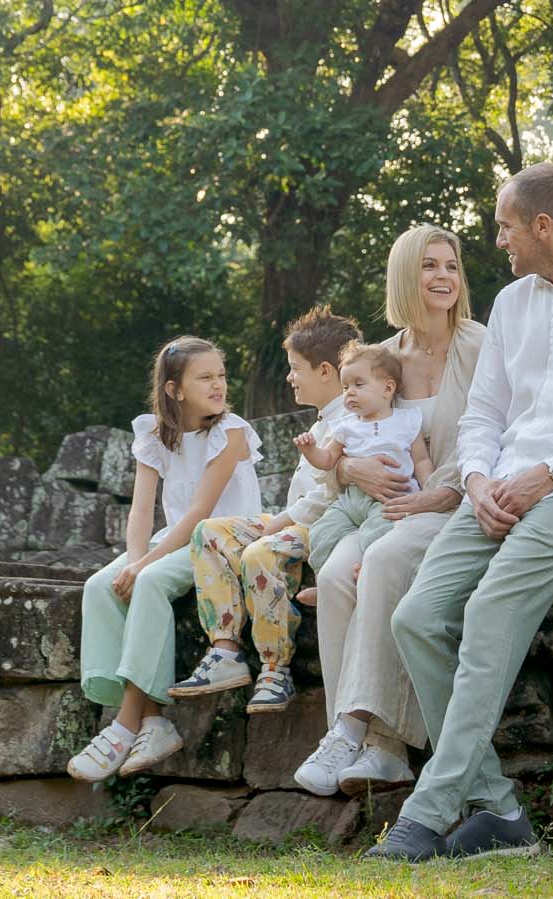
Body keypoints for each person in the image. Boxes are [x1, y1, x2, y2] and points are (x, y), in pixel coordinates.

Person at [369, 162, 553, 863]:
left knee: (489, 611)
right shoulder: (511, 302)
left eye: (505, 224)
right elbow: (485, 412)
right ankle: (501, 809)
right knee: (416, 616)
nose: (498, 238)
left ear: (542, 224)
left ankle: (431, 809)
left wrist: (551, 472)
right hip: (498, 488)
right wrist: (476, 478)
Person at [292, 224, 486, 800]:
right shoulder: (382, 359)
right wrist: (348, 470)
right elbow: (343, 440)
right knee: (331, 575)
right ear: (405, 276)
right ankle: (351, 741)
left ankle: (378, 741)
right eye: (429, 266)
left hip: (457, 502)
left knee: (383, 562)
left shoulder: (483, 347)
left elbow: (503, 433)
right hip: (386, 506)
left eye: (451, 266)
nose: (444, 277)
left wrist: (444, 491)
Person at [67, 336, 263, 781]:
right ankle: (153, 721)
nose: (218, 385)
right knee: (100, 585)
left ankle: (124, 725)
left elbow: (199, 513)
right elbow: (140, 510)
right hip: (174, 540)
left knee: (151, 582)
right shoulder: (154, 434)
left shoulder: (230, 432)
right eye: (205, 377)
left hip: (221, 541)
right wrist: (135, 560)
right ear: (174, 389)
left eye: (221, 375)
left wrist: (145, 568)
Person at [170, 306, 359, 715]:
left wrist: (279, 523)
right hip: (293, 518)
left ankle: (275, 668)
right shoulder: (325, 417)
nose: (289, 376)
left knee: (260, 553)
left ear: (325, 370)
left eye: (295, 368)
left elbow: (330, 496)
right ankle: (224, 651)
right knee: (209, 532)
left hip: (323, 527)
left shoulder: (353, 419)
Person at [296, 344, 430, 582]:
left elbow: (421, 460)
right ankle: (320, 579)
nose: (349, 393)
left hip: (390, 500)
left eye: (359, 384)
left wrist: (430, 491)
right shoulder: (345, 426)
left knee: (380, 532)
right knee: (322, 531)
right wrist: (309, 450)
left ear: (388, 389)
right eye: (345, 386)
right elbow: (327, 460)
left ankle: (365, 570)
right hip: (350, 500)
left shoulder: (407, 422)